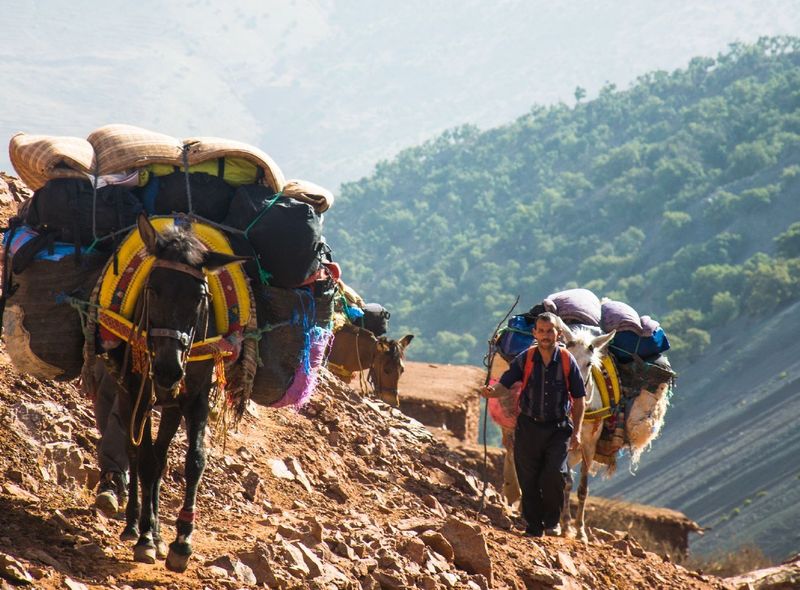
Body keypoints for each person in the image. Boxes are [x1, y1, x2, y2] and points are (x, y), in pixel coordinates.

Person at [481, 312, 585, 537]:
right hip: (528, 427)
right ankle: (534, 527)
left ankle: (552, 521)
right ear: (534, 333)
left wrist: (577, 432)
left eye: (550, 331)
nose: (546, 336)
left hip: (558, 429)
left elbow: (579, 399)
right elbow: (504, 384)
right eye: (541, 331)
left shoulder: (567, 360)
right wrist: (491, 392)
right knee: (528, 479)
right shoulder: (525, 358)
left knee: (554, 474)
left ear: (558, 334)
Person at [91, 361, 129, 517]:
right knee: (104, 398)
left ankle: (112, 481)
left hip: (144, 352)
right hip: (108, 348)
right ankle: (119, 483)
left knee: (126, 397)